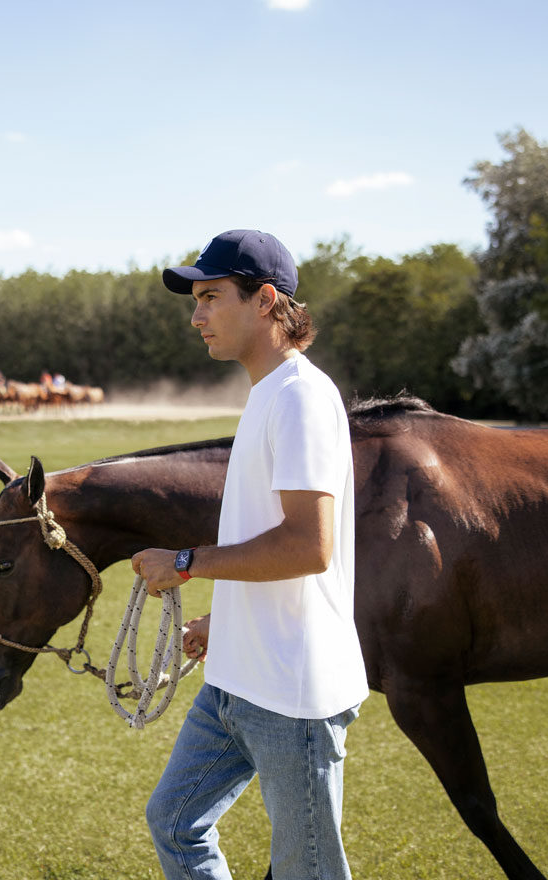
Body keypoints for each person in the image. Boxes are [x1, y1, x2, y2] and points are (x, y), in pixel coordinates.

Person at [131, 229, 368, 880]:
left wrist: (184, 564)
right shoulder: (266, 393)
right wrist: (224, 619)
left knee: (307, 872)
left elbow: (308, 545)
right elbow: (269, 541)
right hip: (235, 679)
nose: (196, 314)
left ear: (265, 301)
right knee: (175, 824)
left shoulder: (300, 397)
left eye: (210, 297)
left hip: (292, 695)